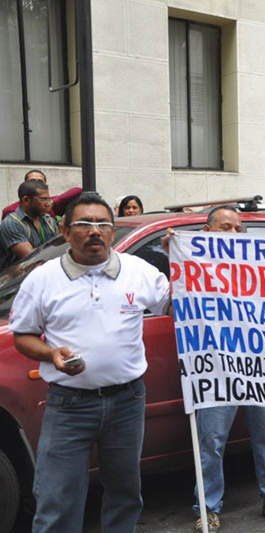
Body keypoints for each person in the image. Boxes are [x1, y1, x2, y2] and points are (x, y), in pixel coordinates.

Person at [9, 192, 170, 532]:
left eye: (102, 224)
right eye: (84, 224)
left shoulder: (139, 272)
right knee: (57, 500)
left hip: (128, 401)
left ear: (112, 232)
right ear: (65, 231)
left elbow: (180, 303)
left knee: (125, 494)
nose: (94, 230)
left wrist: (187, 261)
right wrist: (50, 354)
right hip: (69, 405)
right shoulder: (42, 278)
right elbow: (22, 335)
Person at [183, 206, 265, 531]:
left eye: (239, 229)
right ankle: (207, 508)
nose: (234, 235)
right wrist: (176, 253)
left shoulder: (260, 267)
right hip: (215, 369)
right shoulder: (192, 267)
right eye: (225, 228)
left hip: (260, 366)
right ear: (207, 233)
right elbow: (172, 299)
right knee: (211, 441)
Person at [0, 180, 59, 270]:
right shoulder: (12, 223)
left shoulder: (48, 220)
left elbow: (58, 250)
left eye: (49, 199)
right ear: (26, 200)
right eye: (43, 199)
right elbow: (31, 258)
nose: (48, 203)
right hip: (17, 280)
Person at [2, 169, 82, 220]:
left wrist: (52, 202)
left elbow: (78, 190)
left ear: (45, 185)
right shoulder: (10, 211)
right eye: (32, 181)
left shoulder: (51, 203)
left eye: (40, 181)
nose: (36, 184)